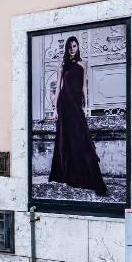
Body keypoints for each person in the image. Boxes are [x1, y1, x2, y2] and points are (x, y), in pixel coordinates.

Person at [47, 35, 107, 195]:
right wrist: (55, 109)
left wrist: (87, 107)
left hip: (76, 105)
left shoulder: (83, 64)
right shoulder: (62, 66)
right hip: (64, 105)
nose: (72, 49)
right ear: (66, 49)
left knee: (82, 138)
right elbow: (58, 88)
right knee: (66, 139)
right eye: (69, 47)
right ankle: (67, 173)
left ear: (78, 47)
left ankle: (87, 176)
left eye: (74, 46)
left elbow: (84, 86)